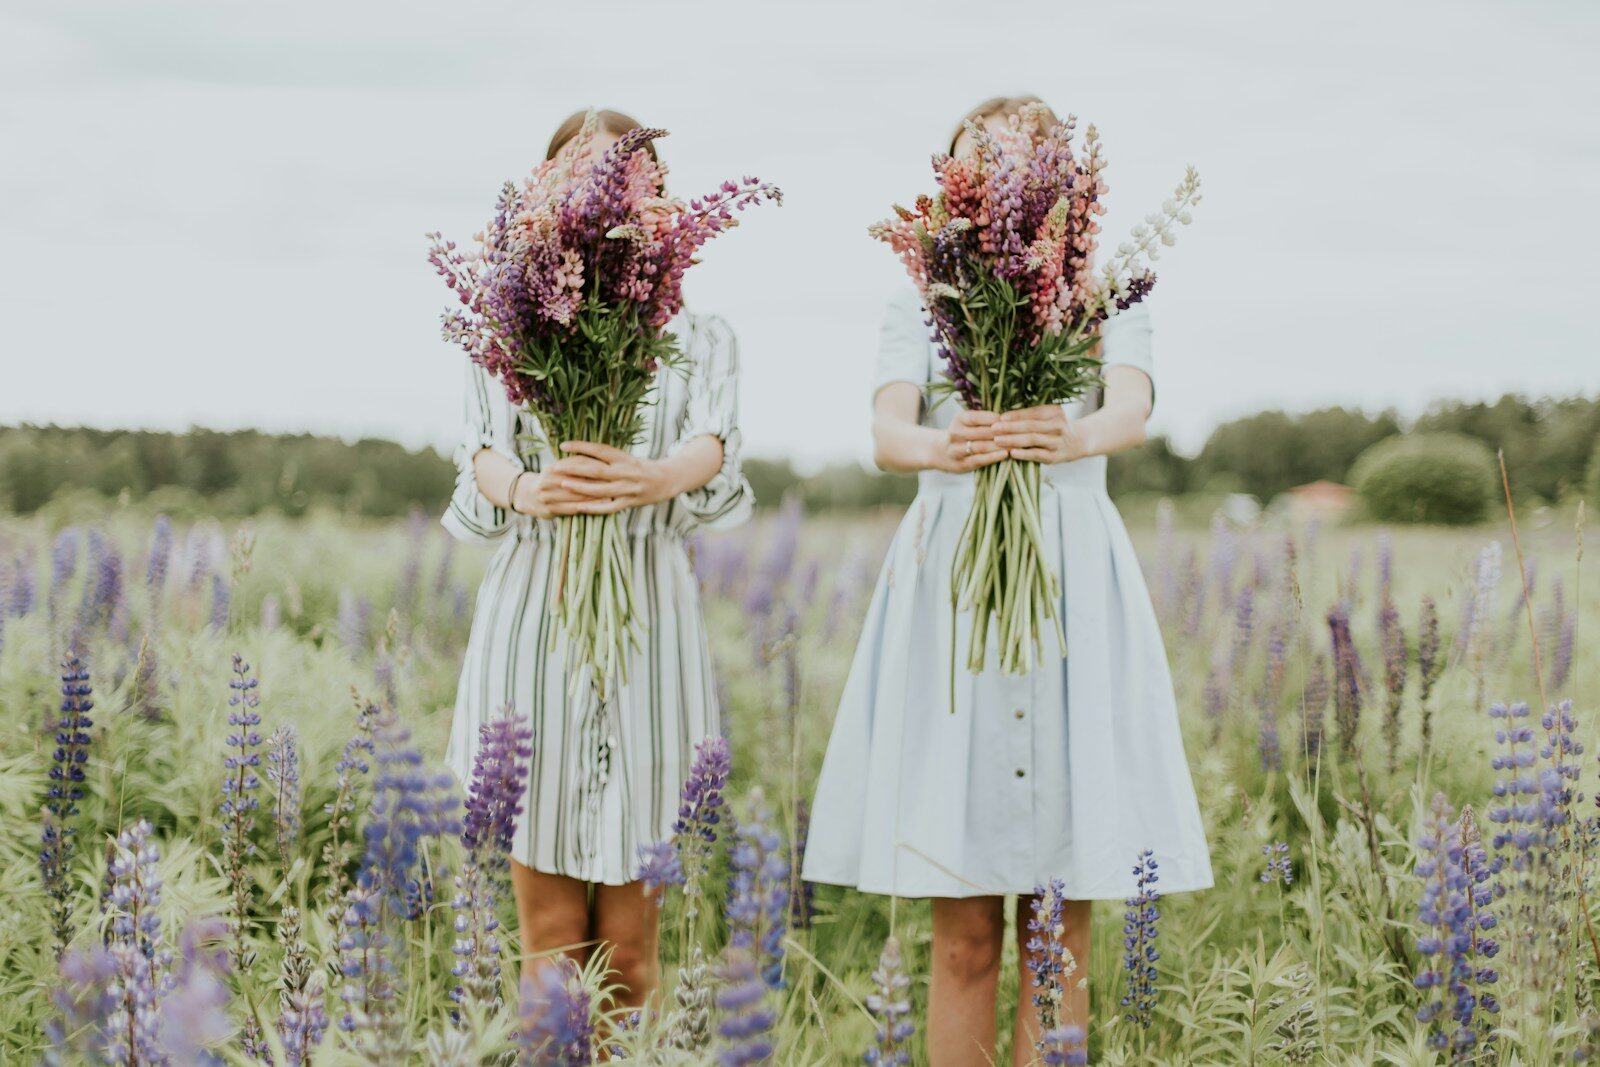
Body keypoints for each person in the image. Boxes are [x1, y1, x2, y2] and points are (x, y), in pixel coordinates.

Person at [803, 95, 1213, 1066]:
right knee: (965, 930)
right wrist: (950, 446)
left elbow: (1131, 407)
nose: (1006, 172)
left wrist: (1063, 434)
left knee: (1060, 928)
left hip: (1072, 566)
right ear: (957, 179)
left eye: (1026, 156)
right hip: (955, 575)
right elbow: (888, 433)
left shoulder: (1106, 285)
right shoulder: (920, 294)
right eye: (984, 156)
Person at [441, 108, 751, 1014]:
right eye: (581, 178)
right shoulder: (507, 329)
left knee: (631, 951)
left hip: (648, 619)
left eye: (631, 180)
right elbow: (479, 449)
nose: (609, 196)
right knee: (548, 945)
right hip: (534, 617)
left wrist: (653, 476)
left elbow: (716, 445)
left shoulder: (702, 333)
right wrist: (526, 491)